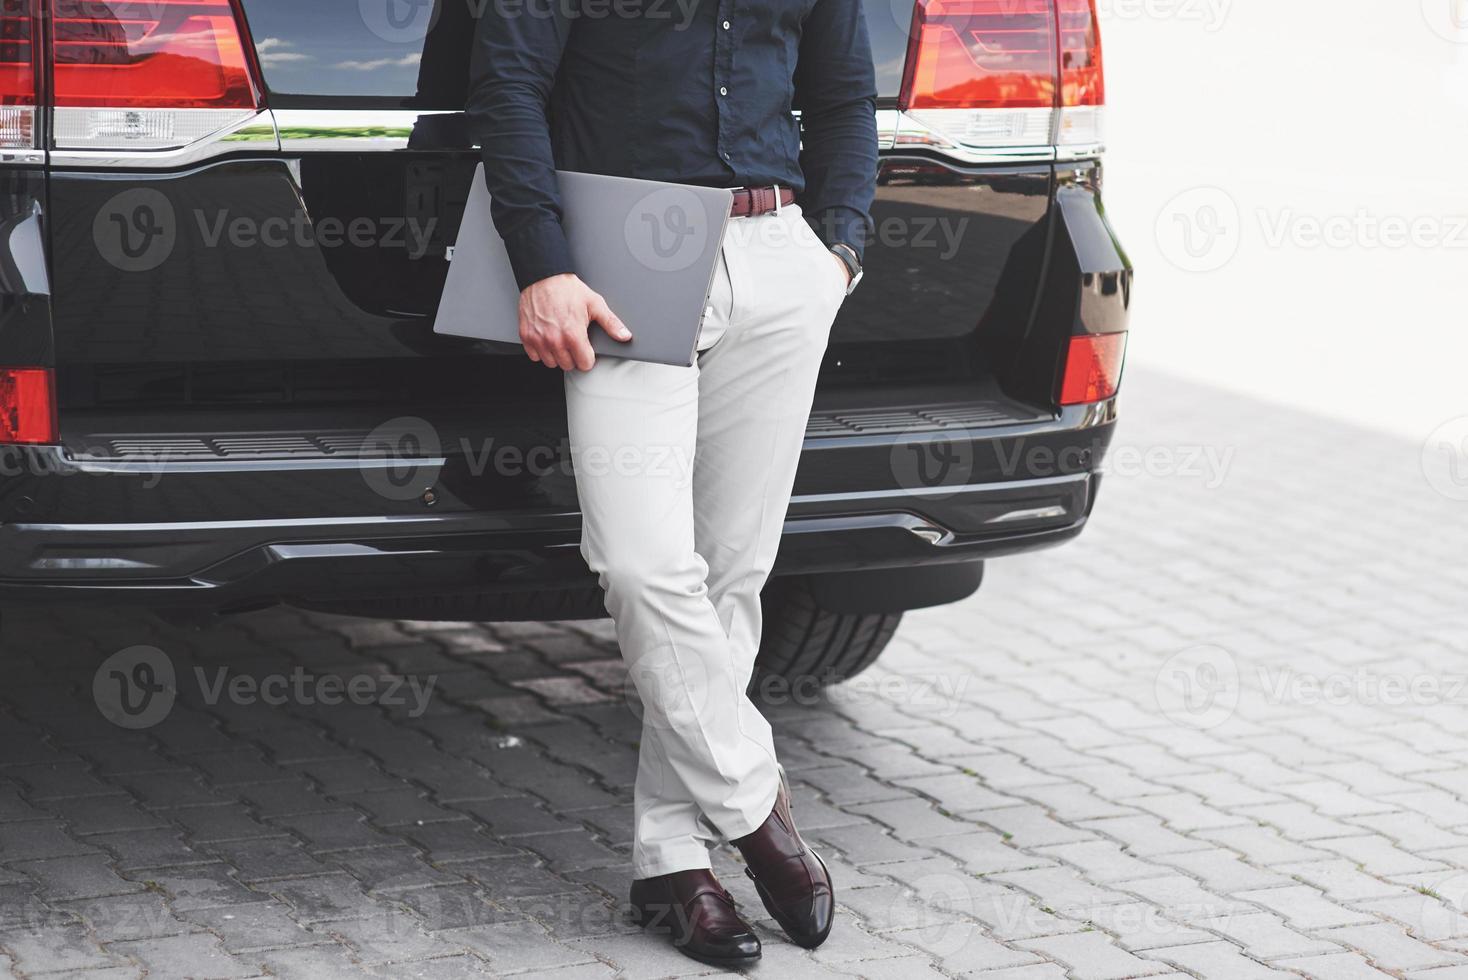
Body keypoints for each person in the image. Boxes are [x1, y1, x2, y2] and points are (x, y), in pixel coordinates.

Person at [468, 0, 877, 964]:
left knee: (730, 574)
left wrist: (840, 251)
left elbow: (844, 96)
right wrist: (543, 263)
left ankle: (671, 864)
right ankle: (757, 810)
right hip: (625, 250)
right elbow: (510, 85)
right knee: (643, 565)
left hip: (781, 256)